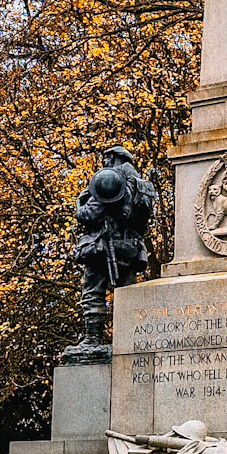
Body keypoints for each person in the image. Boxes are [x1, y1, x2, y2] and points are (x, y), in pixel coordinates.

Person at [69, 147, 156, 355]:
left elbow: (89, 215)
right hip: (129, 247)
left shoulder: (109, 180)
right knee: (128, 291)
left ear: (113, 158)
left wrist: (79, 204)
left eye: (106, 158)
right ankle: (133, 337)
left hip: (104, 246)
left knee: (93, 290)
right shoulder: (139, 184)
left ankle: (93, 339)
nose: (103, 162)